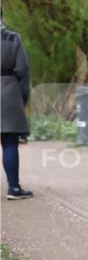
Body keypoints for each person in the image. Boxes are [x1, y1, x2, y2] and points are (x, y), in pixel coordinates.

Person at [1, 19, 33, 200]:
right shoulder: (13, 39)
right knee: (10, 143)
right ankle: (13, 188)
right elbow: (22, 68)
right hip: (8, 93)